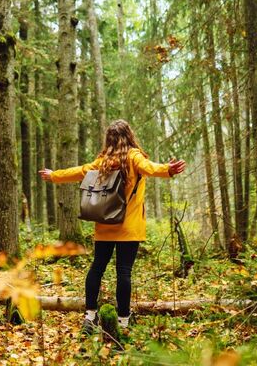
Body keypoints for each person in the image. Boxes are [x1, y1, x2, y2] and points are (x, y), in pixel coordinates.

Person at [38, 119, 186, 334]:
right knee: (124, 272)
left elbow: (79, 171)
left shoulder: (103, 161)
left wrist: (54, 176)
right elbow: (151, 168)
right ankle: (124, 321)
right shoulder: (134, 156)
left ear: (109, 139)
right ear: (129, 136)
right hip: (129, 227)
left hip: (105, 223)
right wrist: (168, 170)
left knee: (97, 268)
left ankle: (89, 317)